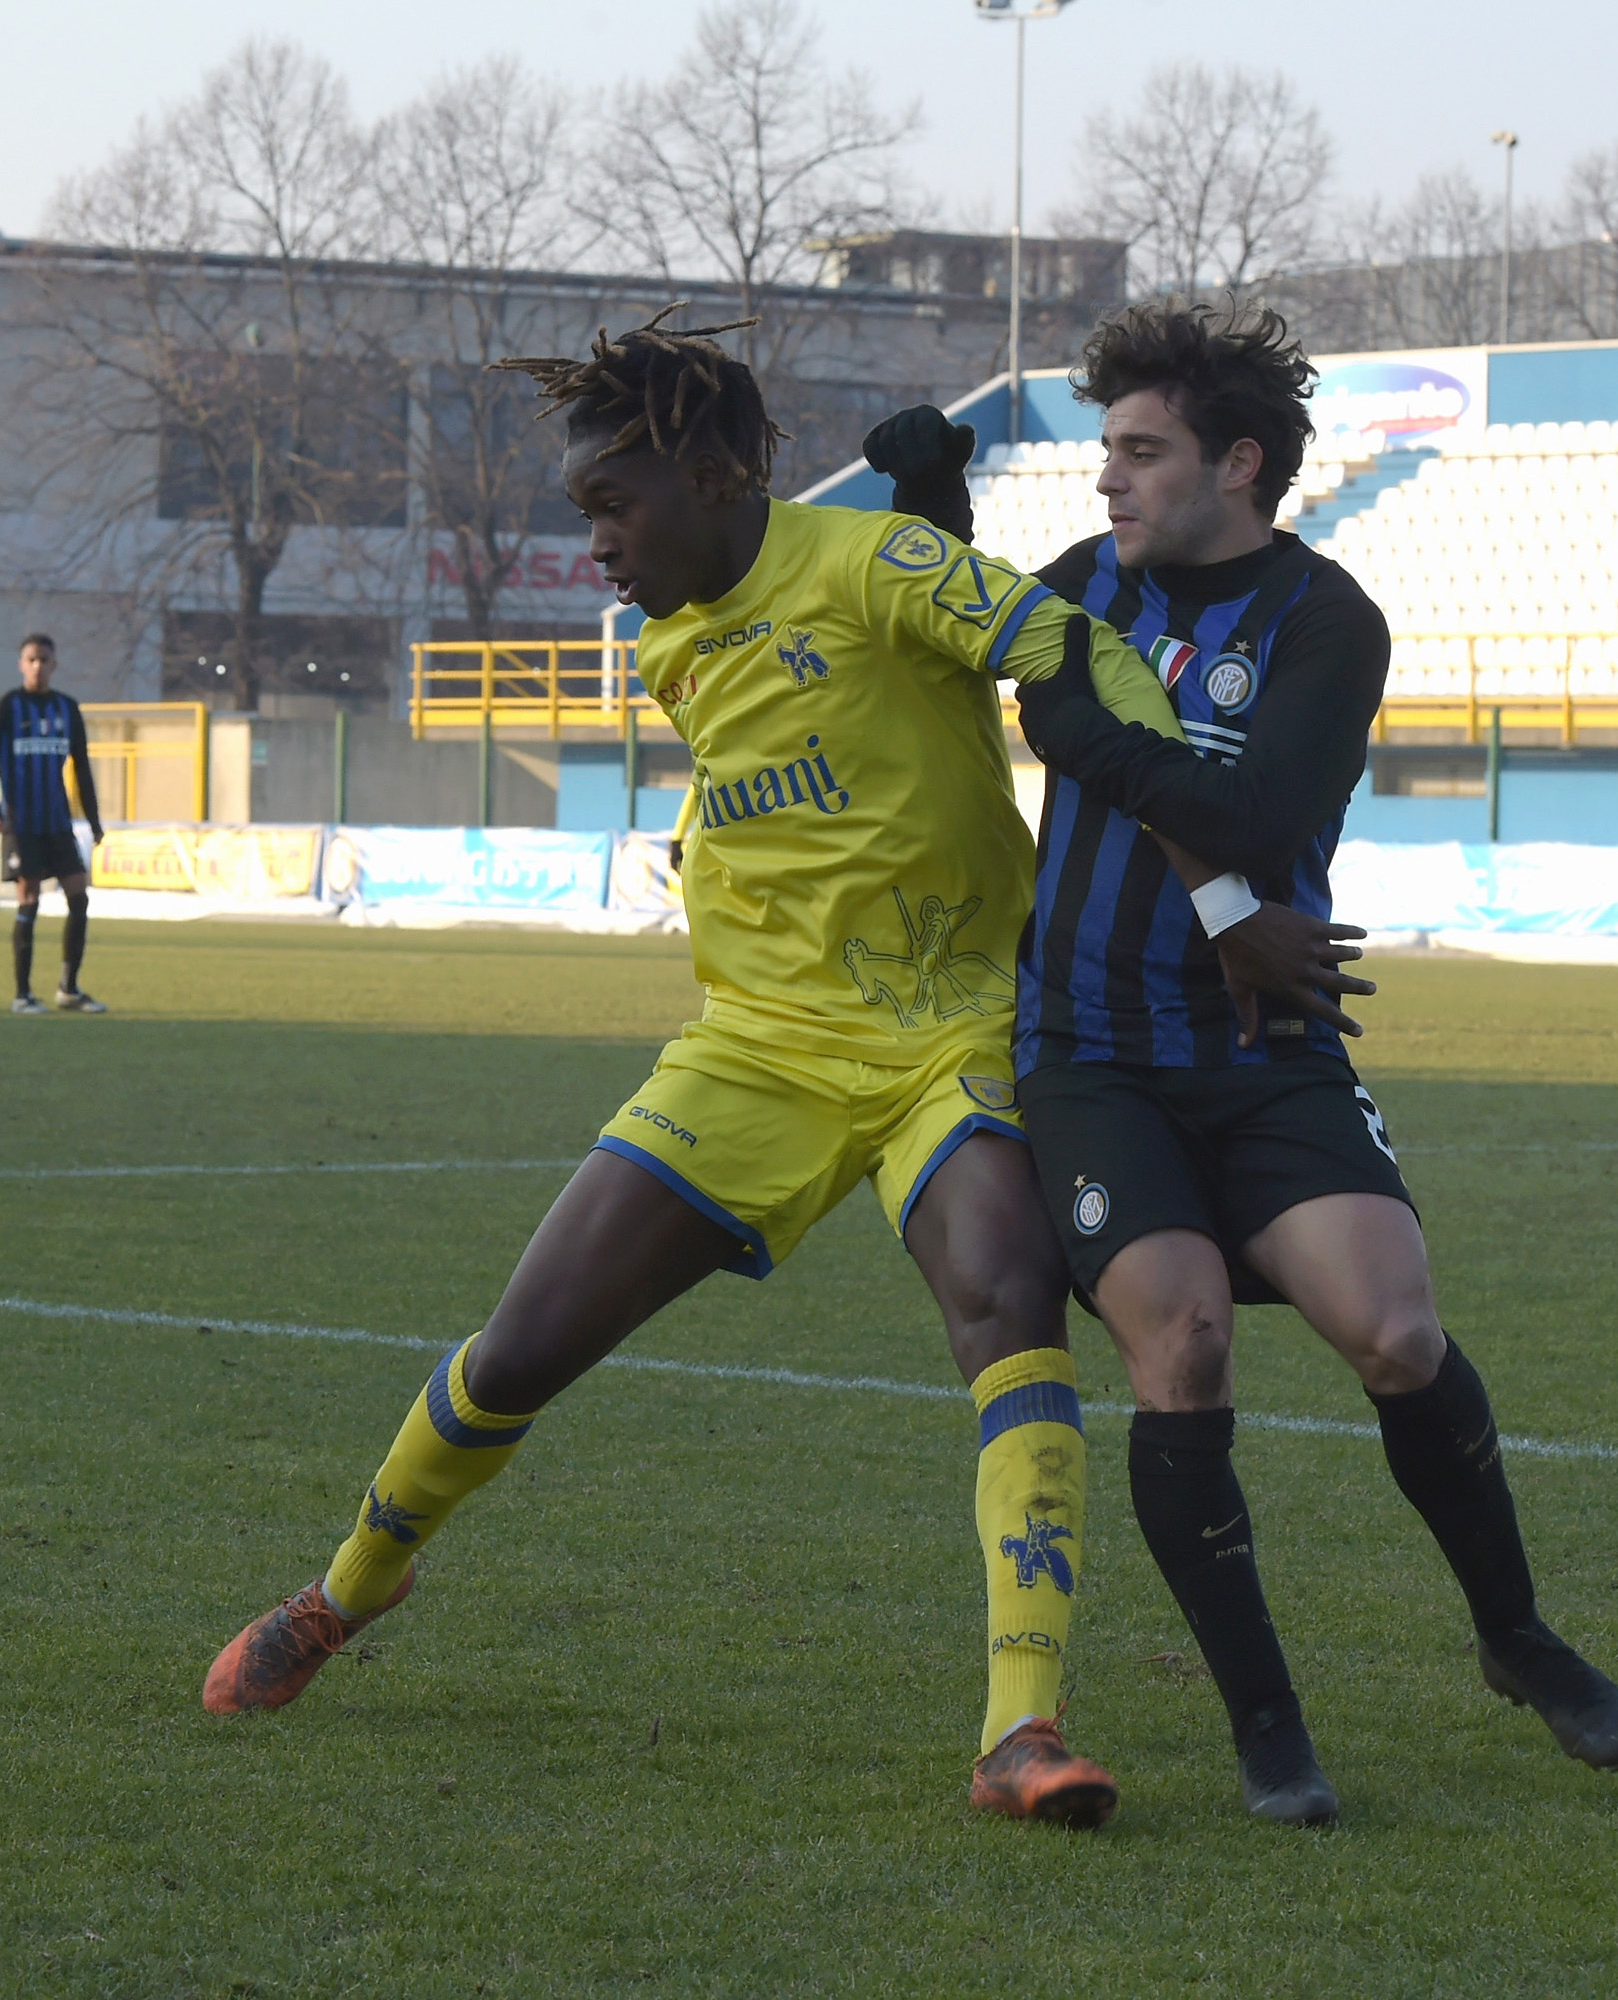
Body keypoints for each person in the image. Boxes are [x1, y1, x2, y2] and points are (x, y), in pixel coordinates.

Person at [200, 309, 1189, 1828]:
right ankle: (346, 1590)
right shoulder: (669, 639)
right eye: (586, 510)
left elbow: (1076, 647)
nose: (595, 543)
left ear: (718, 476)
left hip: (951, 1030)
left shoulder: (877, 562)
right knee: (518, 1353)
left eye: (613, 505)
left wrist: (1209, 875)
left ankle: (1022, 1725)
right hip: (757, 1047)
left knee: (1008, 1300)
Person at [969, 300, 1618, 1825]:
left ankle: (1516, 1634)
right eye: (1107, 449)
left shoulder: (1328, 620)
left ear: (1239, 464)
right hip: (1090, 1055)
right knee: (1183, 1341)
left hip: (1266, 1050)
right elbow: (965, 643)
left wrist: (1074, 725)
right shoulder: (1079, 582)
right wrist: (955, 532)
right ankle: (1269, 1725)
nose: (1109, 478)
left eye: (1143, 451)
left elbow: (1261, 817)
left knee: (1395, 1333)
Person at [0, 634, 106, 1015]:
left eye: (44, 660)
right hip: (22, 824)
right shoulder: (7, 707)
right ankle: (22, 994)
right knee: (29, 898)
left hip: (57, 822)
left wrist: (93, 820)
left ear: (54, 665)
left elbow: (82, 767)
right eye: (31, 660)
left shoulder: (67, 708)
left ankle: (69, 989)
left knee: (79, 895)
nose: (37, 666)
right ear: (21, 664)